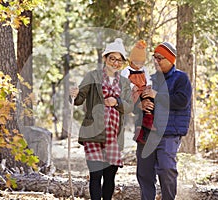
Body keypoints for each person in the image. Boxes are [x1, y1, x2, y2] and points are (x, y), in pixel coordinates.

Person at [69, 38, 133, 200]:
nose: (115, 63)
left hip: (114, 136)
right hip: (93, 133)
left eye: (119, 60)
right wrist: (74, 94)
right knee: (96, 174)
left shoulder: (124, 83)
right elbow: (79, 100)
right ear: (105, 58)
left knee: (110, 177)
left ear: (123, 63)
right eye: (112, 58)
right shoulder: (92, 76)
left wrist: (116, 101)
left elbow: (129, 106)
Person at [137, 42, 192, 200]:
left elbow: (181, 101)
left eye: (160, 58)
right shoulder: (150, 79)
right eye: (154, 57)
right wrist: (140, 105)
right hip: (147, 133)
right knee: (144, 173)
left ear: (171, 59)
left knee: (166, 169)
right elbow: (135, 101)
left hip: (169, 133)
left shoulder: (181, 78)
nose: (156, 61)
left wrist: (156, 96)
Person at [120, 40, 154, 144]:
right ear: (131, 61)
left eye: (141, 63)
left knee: (149, 102)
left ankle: (148, 120)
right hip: (133, 93)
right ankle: (138, 129)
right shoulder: (127, 70)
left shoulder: (144, 70)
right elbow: (123, 80)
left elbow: (148, 79)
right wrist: (131, 86)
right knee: (139, 107)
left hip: (143, 90)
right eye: (137, 63)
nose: (139, 65)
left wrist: (148, 85)